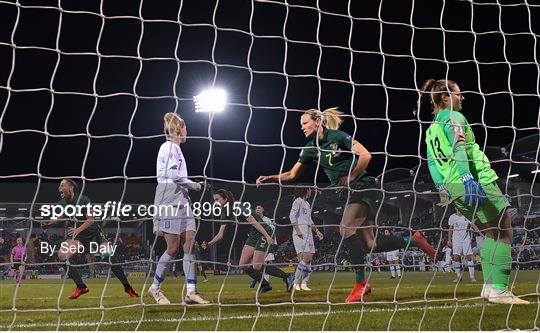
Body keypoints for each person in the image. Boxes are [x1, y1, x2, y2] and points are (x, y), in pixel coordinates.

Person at [257, 107, 436, 303]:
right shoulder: (310, 148)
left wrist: (351, 176)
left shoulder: (338, 136)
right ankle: (413, 240)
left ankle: (361, 284)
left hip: (362, 186)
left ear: (318, 122)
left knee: (345, 229)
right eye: (301, 125)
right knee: (370, 244)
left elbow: (366, 155)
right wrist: (270, 178)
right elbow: (292, 174)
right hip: (346, 194)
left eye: (305, 123)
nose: (302, 127)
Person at [421, 78, 528, 304]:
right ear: (444, 97)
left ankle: (489, 287)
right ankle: (500, 289)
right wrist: (468, 177)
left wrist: (443, 187)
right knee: (504, 229)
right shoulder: (455, 117)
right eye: (458, 94)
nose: (462, 97)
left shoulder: (431, 130)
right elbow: (460, 148)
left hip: (453, 187)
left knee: (490, 233)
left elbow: (431, 163)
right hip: (475, 180)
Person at [148, 112, 209, 305]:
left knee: (189, 243)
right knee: (173, 248)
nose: (187, 131)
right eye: (185, 127)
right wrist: (195, 185)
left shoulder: (177, 149)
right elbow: (173, 176)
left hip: (182, 198)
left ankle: (191, 291)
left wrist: (190, 186)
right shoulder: (168, 147)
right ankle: (155, 289)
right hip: (169, 197)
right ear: (177, 129)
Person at [41, 179, 138, 299]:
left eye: (62, 185)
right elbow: (60, 217)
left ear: (71, 187)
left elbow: (91, 219)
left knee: (108, 257)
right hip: (79, 236)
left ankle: (127, 287)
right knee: (62, 255)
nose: (59, 188)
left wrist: (77, 230)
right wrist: (49, 224)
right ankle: (81, 286)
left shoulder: (84, 200)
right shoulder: (62, 203)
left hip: (94, 232)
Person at [202, 189, 294, 293]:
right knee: (243, 264)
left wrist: (267, 236)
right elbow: (220, 234)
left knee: (257, 265)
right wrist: (209, 244)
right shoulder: (225, 213)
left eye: (217, 199)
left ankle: (287, 277)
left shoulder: (239, 207)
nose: (215, 202)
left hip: (263, 231)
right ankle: (265, 284)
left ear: (226, 198)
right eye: (214, 200)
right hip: (253, 234)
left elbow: (255, 223)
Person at [289, 187, 324, 291]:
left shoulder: (307, 204)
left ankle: (304, 284)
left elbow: (310, 220)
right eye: (309, 190)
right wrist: (298, 230)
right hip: (300, 233)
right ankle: (295, 282)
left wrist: (317, 231)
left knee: (309, 261)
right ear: (305, 191)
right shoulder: (297, 201)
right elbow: (291, 216)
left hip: (309, 233)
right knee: (306, 258)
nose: (310, 192)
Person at [448, 208, 481, 283]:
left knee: (469, 257)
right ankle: (458, 276)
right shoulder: (452, 217)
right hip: (456, 239)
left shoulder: (466, 216)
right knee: (456, 258)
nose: (459, 210)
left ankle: (472, 277)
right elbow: (450, 229)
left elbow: (473, 225)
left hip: (466, 239)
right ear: (455, 208)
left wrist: (481, 234)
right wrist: (449, 240)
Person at [252, 203, 277, 287]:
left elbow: (272, 232)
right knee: (258, 264)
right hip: (257, 244)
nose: (257, 210)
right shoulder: (253, 220)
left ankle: (264, 282)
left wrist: (272, 243)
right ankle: (258, 279)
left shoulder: (267, 220)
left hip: (266, 243)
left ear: (263, 210)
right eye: (256, 209)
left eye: (259, 208)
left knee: (265, 263)